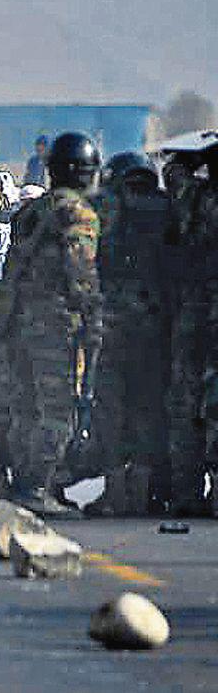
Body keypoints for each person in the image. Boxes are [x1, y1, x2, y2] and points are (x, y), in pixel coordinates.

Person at [0, 131, 103, 517]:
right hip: (56, 325)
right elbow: (82, 275)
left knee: (27, 405)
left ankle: (22, 484)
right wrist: (95, 322)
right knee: (59, 409)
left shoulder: (33, 210)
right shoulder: (77, 214)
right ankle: (35, 487)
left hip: (21, 322)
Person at [84, 152, 172, 515]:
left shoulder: (103, 210)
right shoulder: (169, 211)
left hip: (110, 326)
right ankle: (143, 490)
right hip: (157, 329)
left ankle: (116, 492)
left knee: (110, 410)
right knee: (149, 409)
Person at [161, 130, 218, 516]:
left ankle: (185, 493)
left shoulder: (197, 199)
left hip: (195, 312)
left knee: (186, 402)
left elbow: (174, 177)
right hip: (199, 311)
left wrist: (189, 161)